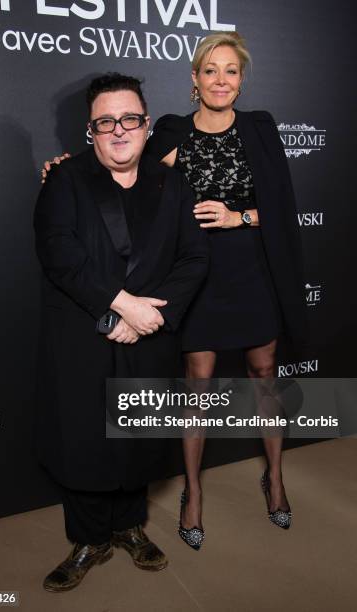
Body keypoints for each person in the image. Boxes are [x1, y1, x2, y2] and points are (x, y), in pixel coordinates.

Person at [42, 32, 306, 546]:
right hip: (196, 275)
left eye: (231, 70)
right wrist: (66, 167)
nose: (221, 80)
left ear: (241, 79)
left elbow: (284, 205)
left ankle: (274, 479)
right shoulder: (170, 130)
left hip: (253, 267)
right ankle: (193, 492)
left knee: (265, 375)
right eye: (211, 70)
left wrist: (239, 216)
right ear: (194, 78)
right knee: (197, 386)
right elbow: (123, 160)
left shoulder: (259, 127)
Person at [34, 72, 209, 592]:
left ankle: (131, 526)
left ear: (146, 124)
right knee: (84, 438)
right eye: (105, 122)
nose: (118, 131)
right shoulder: (65, 180)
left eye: (129, 119)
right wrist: (121, 306)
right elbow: (59, 255)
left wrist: (151, 317)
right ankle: (89, 538)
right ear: (91, 130)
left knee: (137, 436)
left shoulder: (172, 182)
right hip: (84, 337)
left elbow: (194, 258)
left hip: (148, 336)